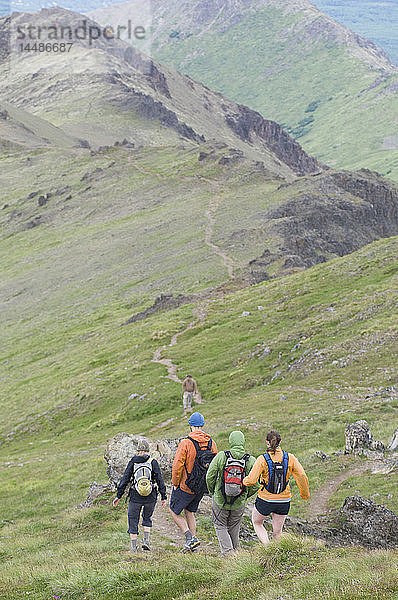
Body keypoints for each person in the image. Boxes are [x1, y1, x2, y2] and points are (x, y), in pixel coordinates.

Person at [243, 430, 310, 547]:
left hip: (265, 500)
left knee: (257, 522)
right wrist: (305, 494)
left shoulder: (262, 459)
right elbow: (302, 476)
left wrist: (244, 481)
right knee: (278, 533)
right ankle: (278, 554)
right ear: (281, 442)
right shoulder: (290, 458)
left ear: (267, 443)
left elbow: (252, 480)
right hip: (284, 501)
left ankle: (267, 546)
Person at [169, 412, 217, 552]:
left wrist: (176, 483)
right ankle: (193, 547)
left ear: (190, 425)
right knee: (189, 511)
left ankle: (190, 538)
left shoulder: (186, 443)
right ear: (202, 425)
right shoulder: (211, 443)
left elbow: (177, 465)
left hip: (185, 485)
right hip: (201, 487)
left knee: (174, 510)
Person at [206, 430, 259, 555]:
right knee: (234, 526)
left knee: (220, 525)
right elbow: (256, 483)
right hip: (239, 502)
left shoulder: (221, 456)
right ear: (243, 442)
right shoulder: (251, 460)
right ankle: (235, 554)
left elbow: (210, 476)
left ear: (230, 441)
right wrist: (245, 495)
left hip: (220, 500)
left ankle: (228, 553)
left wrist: (213, 491)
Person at [113, 439, 167, 552]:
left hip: (135, 496)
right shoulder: (153, 461)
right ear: (148, 450)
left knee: (133, 519)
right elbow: (160, 480)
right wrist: (163, 496)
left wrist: (119, 495)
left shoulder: (133, 461)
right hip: (150, 496)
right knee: (147, 518)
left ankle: (133, 547)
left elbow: (125, 479)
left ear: (138, 451)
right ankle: (146, 541)